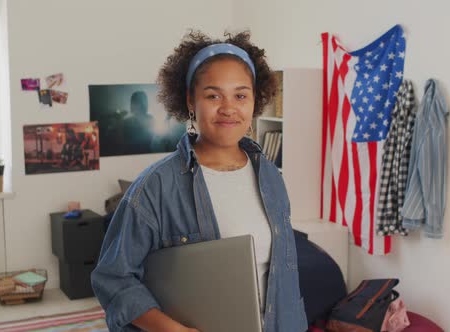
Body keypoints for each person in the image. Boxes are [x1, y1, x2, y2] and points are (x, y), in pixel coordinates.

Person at [91, 30, 308, 332]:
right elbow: (113, 278)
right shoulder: (154, 187)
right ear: (190, 101)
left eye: (240, 95)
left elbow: (282, 273)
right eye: (213, 95)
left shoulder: (270, 174)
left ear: (255, 102)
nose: (229, 108)